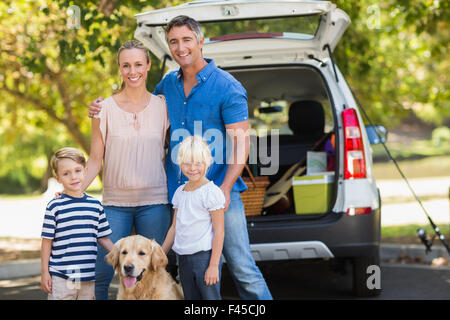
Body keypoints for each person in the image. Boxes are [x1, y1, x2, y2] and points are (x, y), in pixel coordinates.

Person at [89, 16, 272, 300]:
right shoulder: (167, 87)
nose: (180, 47)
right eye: (173, 41)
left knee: (242, 267)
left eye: (187, 39)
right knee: (189, 269)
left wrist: (225, 187)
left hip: (220, 193)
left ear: (201, 42)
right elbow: (138, 103)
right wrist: (103, 107)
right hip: (181, 196)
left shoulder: (228, 87)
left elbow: (241, 145)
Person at [85, 40, 172, 300]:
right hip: (114, 204)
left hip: (155, 203)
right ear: (119, 69)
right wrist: (73, 191)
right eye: (126, 65)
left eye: (137, 64)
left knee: (155, 273)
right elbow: (94, 161)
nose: (132, 71)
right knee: (101, 275)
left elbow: (172, 150)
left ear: (147, 66)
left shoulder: (163, 106)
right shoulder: (104, 109)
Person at [41, 147, 114, 300]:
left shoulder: (95, 206)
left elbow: (103, 238)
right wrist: (44, 272)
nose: (73, 177)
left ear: (85, 171)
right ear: (58, 178)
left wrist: (121, 255)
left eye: (77, 170)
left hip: (87, 277)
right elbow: (47, 242)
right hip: (61, 276)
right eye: (66, 173)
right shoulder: (54, 206)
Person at [162, 135, 225, 300]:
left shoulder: (211, 193)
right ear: (180, 163)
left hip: (205, 258)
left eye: (198, 162)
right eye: (187, 163)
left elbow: (219, 231)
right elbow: (174, 228)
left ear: (207, 162)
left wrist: (213, 265)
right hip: (183, 259)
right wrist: (161, 254)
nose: (192, 168)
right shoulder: (180, 192)